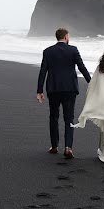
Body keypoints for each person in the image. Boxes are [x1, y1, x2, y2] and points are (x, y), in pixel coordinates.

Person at [36, 28, 91, 159]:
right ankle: (68, 147)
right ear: (66, 37)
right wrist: (91, 82)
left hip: (53, 89)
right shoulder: (73, 50)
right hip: (69, 89)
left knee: (54, 117)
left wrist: (39, 90)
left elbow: (43, 71)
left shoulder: (48, 51)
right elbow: (81, 67)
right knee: (69, 118)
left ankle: (54, 146)